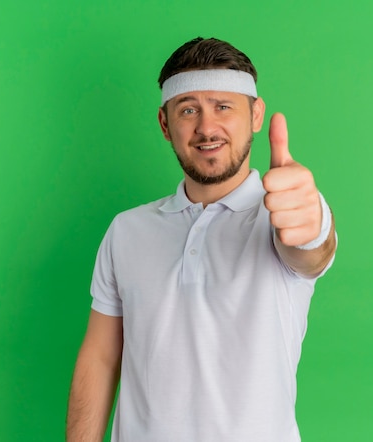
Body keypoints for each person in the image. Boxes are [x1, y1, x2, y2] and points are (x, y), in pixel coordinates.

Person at [66, 37, 337, 442]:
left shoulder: (282, 214)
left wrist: (312, 226)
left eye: (223, 106)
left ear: (256, 114)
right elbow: (101, 358)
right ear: (164, 123)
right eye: (188, 109)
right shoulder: (126, 230)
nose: (206, 127)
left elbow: (311, 252)